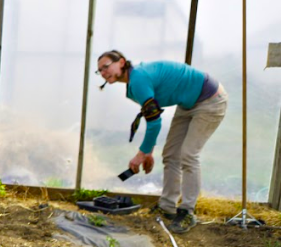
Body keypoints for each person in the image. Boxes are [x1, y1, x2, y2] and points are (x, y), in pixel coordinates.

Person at [96, 50, 228, 234]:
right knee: (171, 155)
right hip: (188, 103)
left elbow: (154, 120)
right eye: (100, 71)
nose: (103, 72)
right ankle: (167, 206)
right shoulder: (135, 82)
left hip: (210, 100)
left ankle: (187, 212)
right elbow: (153, 115)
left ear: (122, 62)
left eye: (106, 66)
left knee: (189, 155)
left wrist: (141, 154)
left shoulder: (138, 79)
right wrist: (148, 152)